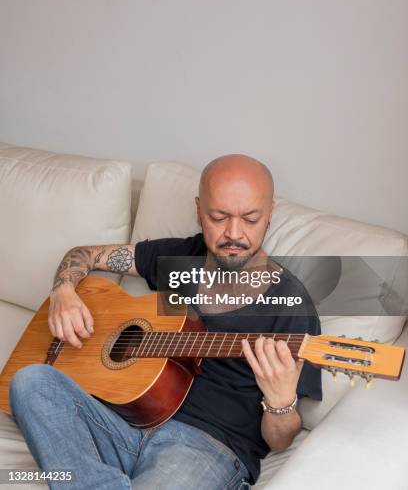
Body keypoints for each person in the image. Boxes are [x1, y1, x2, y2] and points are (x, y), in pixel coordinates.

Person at [9, 154, 322, 490]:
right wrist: (64, 290)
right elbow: (84, 254)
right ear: (199, 210)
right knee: (30, 381)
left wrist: (281, 403)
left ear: (270, 213)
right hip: (119, 422)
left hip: (204, 447)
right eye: (219, 217)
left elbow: (279, 442)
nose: (234, 234)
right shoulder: (179, 257)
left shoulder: (292, 305)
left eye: (250, 219)